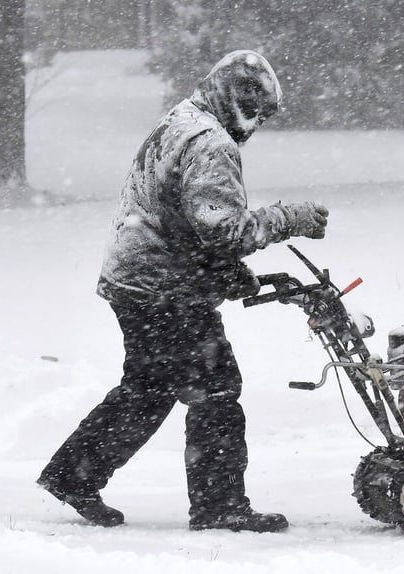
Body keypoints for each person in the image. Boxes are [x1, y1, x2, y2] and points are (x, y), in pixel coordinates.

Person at [37, 50, 328, 532]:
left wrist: (231, 277)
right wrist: (288, 218)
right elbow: (224, 230)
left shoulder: (180, 120)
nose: (256, 123)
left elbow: (180, 219)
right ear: (236, 99)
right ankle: (219, 507)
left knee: (148, 387)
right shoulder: (210, 142)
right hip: (164, 290)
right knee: (215, 390)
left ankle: (73, 475)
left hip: (137, 279)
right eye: (255, 110)